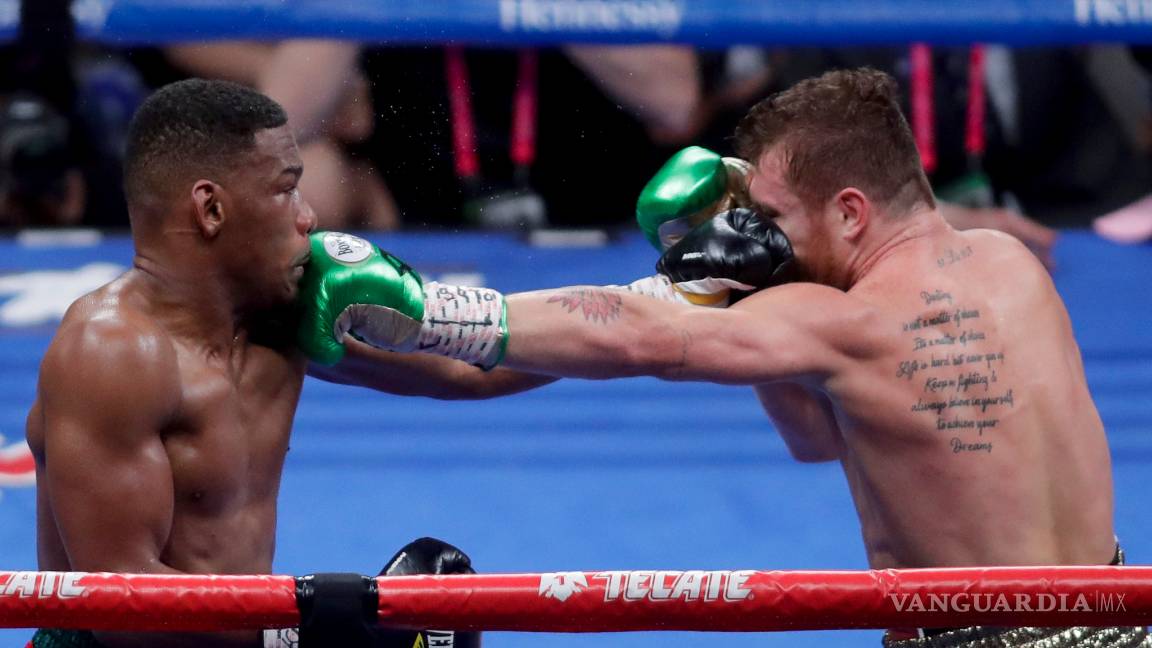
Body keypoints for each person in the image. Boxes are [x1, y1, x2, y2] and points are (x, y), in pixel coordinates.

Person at [298, 68, 1144, 647]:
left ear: (850, 212)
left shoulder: (845, 322)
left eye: (775, 214)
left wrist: (430, 309)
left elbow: (640, 333)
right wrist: (750, 286)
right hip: (1117, 622)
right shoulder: (1013, 263)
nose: (757, 235)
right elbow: (823, 438)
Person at [24, 78, 558, 648]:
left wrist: (653, 308)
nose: (309, 217)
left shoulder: (284, 311)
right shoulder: (111, 354)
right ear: (211, 208)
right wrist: (337, 631)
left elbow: (473, 366)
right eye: (286, 190)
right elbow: (125, 614)